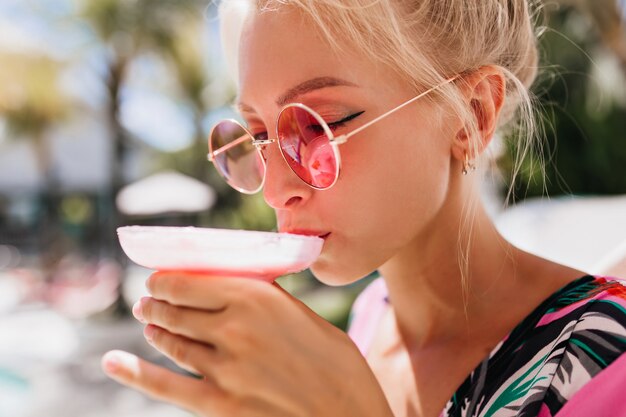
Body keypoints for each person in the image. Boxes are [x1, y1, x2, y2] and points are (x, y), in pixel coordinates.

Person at [101, 1, 626, 416]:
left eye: (316, 125)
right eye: (258, 135)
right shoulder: (372, 316)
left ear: (471, 114)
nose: (275, 190)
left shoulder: (605, 363)